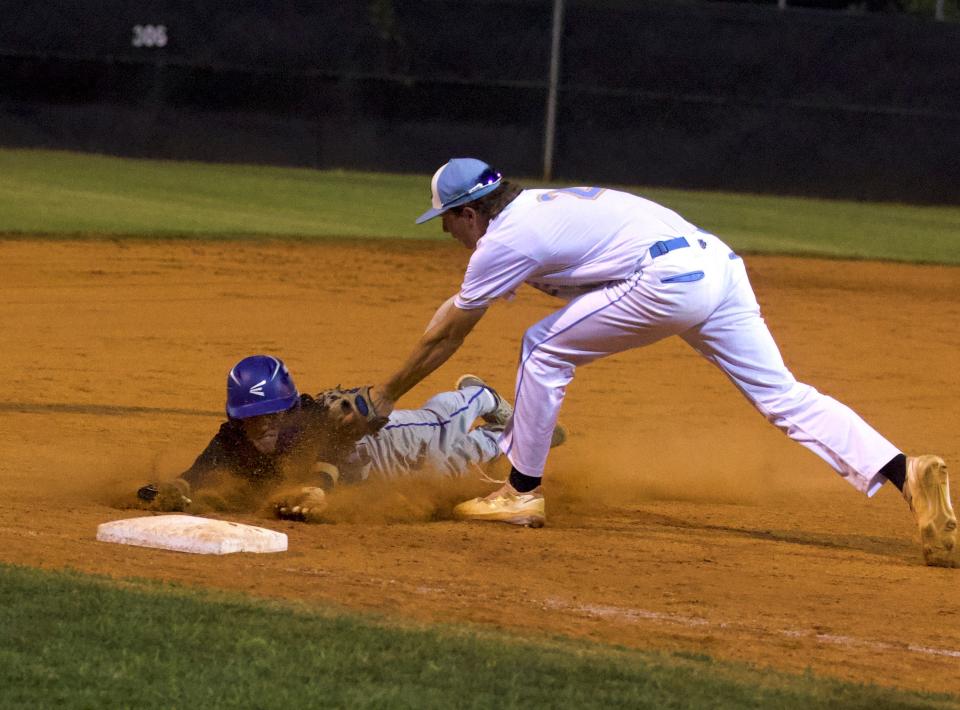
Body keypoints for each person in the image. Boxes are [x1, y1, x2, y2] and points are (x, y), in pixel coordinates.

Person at [369, 157, 956, 567]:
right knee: (784, 396)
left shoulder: (505, 240)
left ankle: (520, 492)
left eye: (446, 218)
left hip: (668, 278)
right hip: (718, 266)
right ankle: (906, 471)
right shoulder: (536, 214)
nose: (445, 230)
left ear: (471, 212)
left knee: (542, 349)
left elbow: (450, 332)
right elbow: (464, 302)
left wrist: (387, 394)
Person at [137, 354, 558, 521]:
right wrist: (171, 489)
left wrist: (319, 488)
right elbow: (199, 473)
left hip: (393, 443)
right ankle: (515, 437)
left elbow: (334, 454)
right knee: (461, 458)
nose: (261, 424)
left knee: (444, 428)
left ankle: (481, 394)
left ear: (287, 409)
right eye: (251, 417)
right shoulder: (233, 439)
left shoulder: (313, 419)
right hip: (380, 476)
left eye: (270, 415)